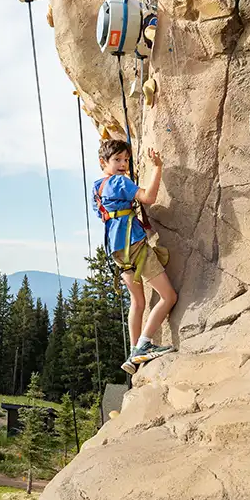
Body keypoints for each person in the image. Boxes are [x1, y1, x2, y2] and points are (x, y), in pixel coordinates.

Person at [93, 139, 178, 375]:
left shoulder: (98, 187)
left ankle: (133, 352)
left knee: (138, 302)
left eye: (126, 160)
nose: (123, 164)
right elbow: (148, 197)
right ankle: (143, 345)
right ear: (104, 162)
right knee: (169, 296)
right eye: (117, 159)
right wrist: (158, 167)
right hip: (135, 244)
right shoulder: (121, 181)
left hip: (118, 252)